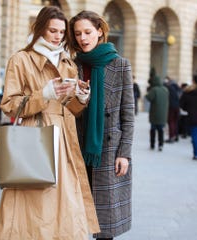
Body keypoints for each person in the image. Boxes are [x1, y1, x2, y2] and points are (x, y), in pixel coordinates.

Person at [0, 6, 100, 239]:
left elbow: (72, 109)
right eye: (52, 30)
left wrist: (81, 97)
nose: (57, 36)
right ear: (40, 28)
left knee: (67, 206)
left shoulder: (67, 62)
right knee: (34, 204)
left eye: (62, 32)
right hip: (35, 137)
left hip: (64, 140)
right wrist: (44, 94)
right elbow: (9, 105)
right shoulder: (21, 60)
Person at [69, 10, 134, 240]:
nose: (82, 38)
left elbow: (128, 114)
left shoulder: (120, 65)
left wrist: (124, 153)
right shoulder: (72, 66)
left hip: (107, 151)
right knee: (73, 219)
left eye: (87, 32)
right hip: (76, 148)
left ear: (99, 31)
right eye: (77, 34)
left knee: (104, 225)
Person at [146, 72, 169, 151]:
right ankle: (161, 145)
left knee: (153, 129)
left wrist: (147, 94)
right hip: (163, 114)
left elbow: (149, 98)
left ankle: (152, 144)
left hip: (154, 114)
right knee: (161, 130)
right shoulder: (165, 89)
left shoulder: (154, 89)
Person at [164, 76, 181, 143]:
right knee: (175, 121)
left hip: (171, 106)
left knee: (171, 121)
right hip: (177, 106)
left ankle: (171, 137)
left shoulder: (169, 88)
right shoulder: (177, 88)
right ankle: (176, 136)